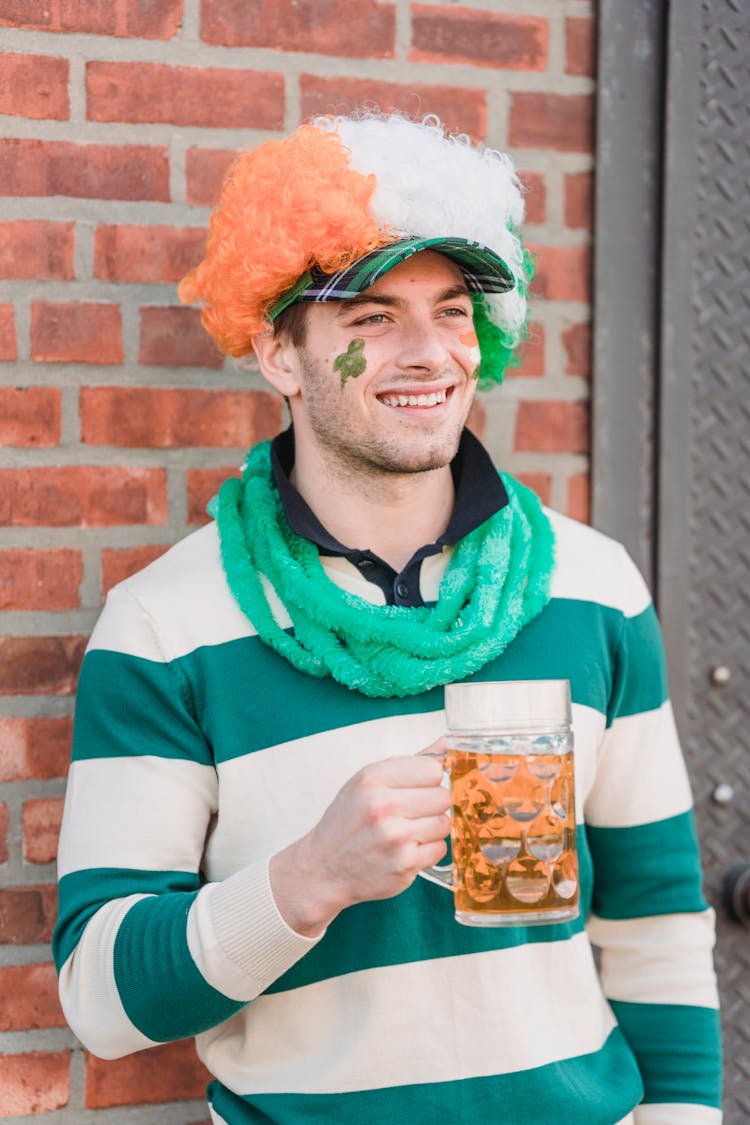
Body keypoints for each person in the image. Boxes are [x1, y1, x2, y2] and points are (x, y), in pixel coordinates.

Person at [53, 113, 722, 1125]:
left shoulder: (592, 585)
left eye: (452, 313)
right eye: (370, 318)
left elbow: (657, 923)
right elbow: (102, 1003)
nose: (428, 354)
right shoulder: (165, 627)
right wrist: (306, 880)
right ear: (280, 353)